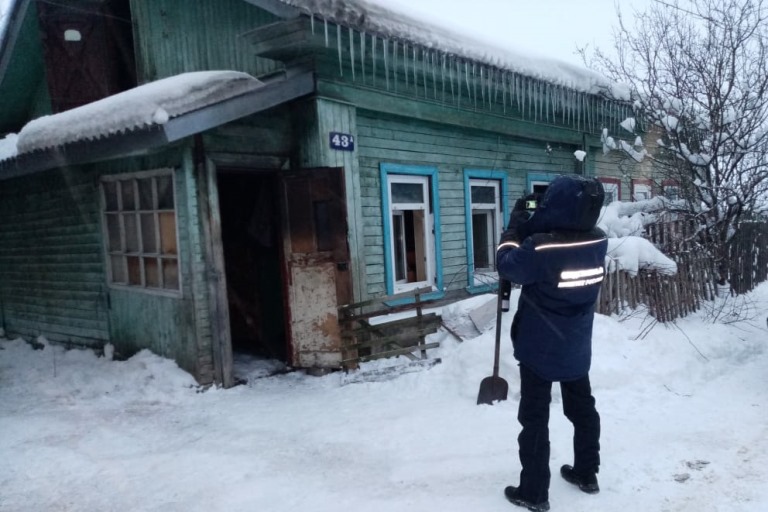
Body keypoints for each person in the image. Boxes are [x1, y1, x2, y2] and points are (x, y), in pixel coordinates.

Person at [496, 175, 608, 512]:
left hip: (539, 348)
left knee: (534, 419)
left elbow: (507, 264)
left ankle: (534, 492)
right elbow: (555, 242)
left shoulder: (541, 249)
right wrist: (534, 225)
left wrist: (514, 230)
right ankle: (587, 473)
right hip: (575, 344)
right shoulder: (596, 241)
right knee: (582, 409)